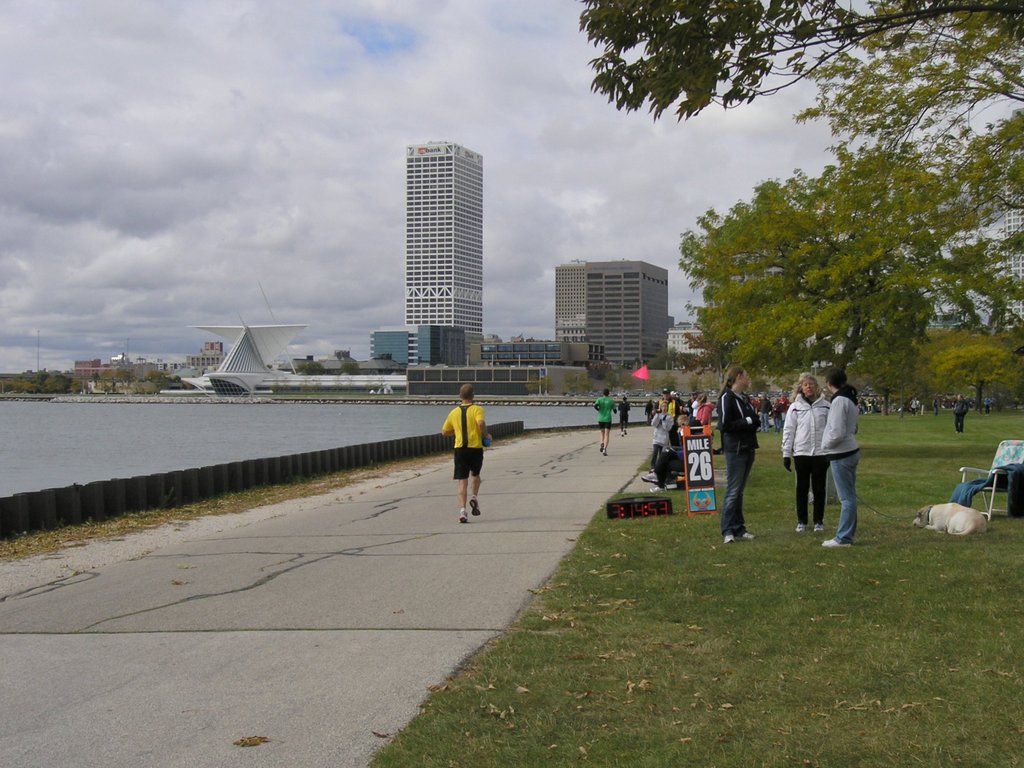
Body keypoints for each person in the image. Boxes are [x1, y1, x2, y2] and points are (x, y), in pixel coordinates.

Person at [781, 373, 830, 533]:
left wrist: (830, 450)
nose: (809, 387)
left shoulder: (825, 406)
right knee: (801, 488)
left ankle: (818, 521)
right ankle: (802, 520)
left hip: (820, 453)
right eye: (805, 385)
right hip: (801, 452)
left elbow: (831, 429)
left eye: (811, 384)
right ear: (801, 388)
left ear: (817, 387)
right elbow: (789, 430)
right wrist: (786, 454)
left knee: (819, 489)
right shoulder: (795, 407)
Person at [717, 366, 760, 544]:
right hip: (735, 449)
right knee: (733, 490)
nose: (748, 379)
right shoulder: (727, 398)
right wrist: (747, 421)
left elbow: (756, 420)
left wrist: (751, 421)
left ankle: (739, 528)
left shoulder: (745, 399)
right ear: (739, 377)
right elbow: (725, 425)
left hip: (748, 447)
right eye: (746, 376)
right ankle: (727, 529)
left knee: (739, 491)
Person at [441, 383, 492, 524]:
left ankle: (462, 512)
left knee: (462, 481)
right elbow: (481, 424)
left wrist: (456, 432)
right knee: (475, 475)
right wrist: (486, 435)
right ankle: (474, 497)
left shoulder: (453, 412)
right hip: (475, 448)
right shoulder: (477, 409)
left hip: (460, 449)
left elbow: (444, 432)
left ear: (460, 396)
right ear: (473, 396)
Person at [821, 368, 860, 548]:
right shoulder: (849, 399)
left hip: (841, 452)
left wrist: (825, 445)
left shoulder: (839, 401)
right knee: (850, 497)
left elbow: (836, 432)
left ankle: (843, 537)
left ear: (830, 384)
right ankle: (847, 534)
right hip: (849, 450)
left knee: (846, 498)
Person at [649, 397, 673, 470]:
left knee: (662, 455)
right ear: (661, 407)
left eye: (665, 406)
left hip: (664, 439)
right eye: (663, 406)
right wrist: (657, 417)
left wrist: (663, 421)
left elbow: (668, 428)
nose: (664, 408)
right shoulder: (658, 415)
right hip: (656, 438)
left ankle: (660, 467)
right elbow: (653, 424)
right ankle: (653, 466)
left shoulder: (670, 417)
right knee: (655, 452)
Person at [594, 387, 617, 455]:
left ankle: (602, 443)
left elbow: (595, 406)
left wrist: (599, 410)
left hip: (600, 418)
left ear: (603, 393)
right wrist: (613, 410)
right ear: (608, 393)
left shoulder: (599, 399)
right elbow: (615, 411)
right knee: (607, 434)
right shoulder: (611, 401)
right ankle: (604, 449)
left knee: (602, 433)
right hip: (608, 418)